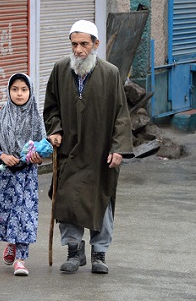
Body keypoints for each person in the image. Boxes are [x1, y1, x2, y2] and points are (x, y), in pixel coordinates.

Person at [43, 19, 134, 274]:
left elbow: (121, 115)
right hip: (69, 150)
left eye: (84, 44)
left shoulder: (110, 73)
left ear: (96, 44)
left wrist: (118, 148)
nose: (78, 50)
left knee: (100, 200)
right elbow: (51, 109)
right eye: (74, 44)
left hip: (100, 151)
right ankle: (74, 251)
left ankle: (99, 254)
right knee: (67, 201)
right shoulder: (60, 70)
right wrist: (56, 130)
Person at [0, 73, 48, 276]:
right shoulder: (0, 118)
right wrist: (2, 155)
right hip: (4, 177)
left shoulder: (36, 120)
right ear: (8, 91)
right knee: (8, 214)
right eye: (15, 89)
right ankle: (11, 243)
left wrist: (37, 157)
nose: (19, 94)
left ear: (30, 92)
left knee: (24, 216)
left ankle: (20, 259)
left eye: (24, 89)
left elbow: (43, 147)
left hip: (26, 177)